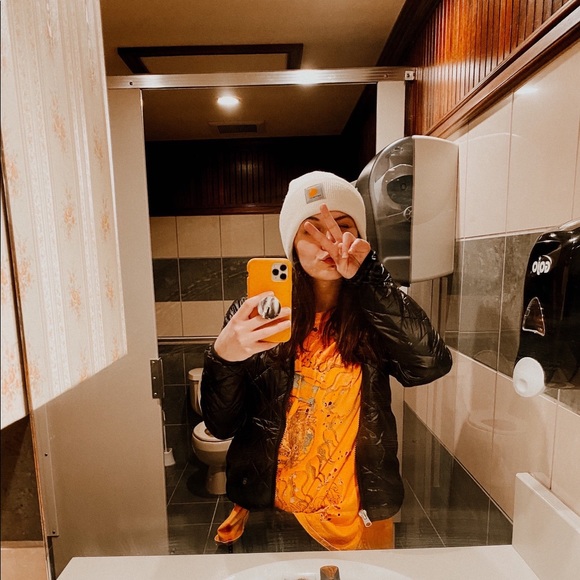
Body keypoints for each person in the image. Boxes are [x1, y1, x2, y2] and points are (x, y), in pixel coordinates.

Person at [201, 171, 452, 551]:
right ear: (292, 244)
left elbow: (430, 364)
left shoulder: (374, 310)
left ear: (360, 236)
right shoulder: (256, 315)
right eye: (310, 230)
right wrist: (223, 359)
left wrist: (370, 278)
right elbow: (220, 426)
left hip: (357, 516)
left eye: (341, 226)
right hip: (272, 514)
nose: (327, 241)